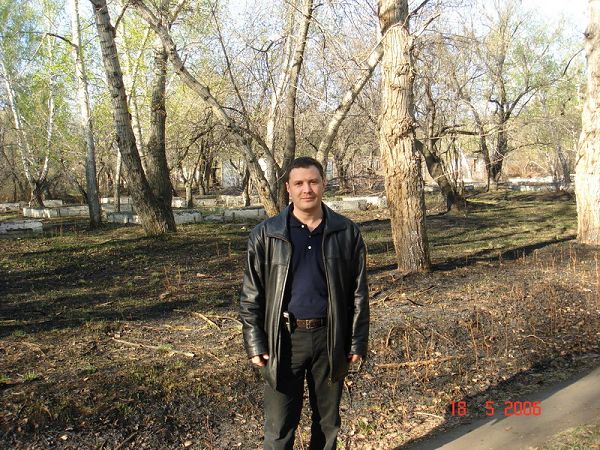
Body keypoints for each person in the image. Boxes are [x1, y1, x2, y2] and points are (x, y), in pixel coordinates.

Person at [239, 156, 369, 450]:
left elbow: (358, 293)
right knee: (279, 427)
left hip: (330, 338)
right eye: (298, 183)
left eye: (313, 182)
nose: (306, 189)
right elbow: (251, 295)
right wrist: (255, 343)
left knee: (327, 424)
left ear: (324, 184)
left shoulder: (346, 232)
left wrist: (357, 341)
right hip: (284, 340)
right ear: (288, 187)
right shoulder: (266, 234)